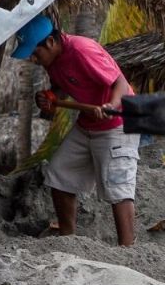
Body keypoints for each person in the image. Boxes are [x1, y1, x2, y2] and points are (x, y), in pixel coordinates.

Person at [11, 14, 140, 246]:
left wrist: (111, 105)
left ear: (50, 42)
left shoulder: (82, 51)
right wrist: (51, 96)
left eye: (35, 52)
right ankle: (67, 239)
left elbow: (119, 82)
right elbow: (62, 87)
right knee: (59, 173)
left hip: (119, 123)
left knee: (117, 187)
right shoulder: (53, 60)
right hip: (88, 124)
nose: (33, 58)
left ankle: (128, 249)